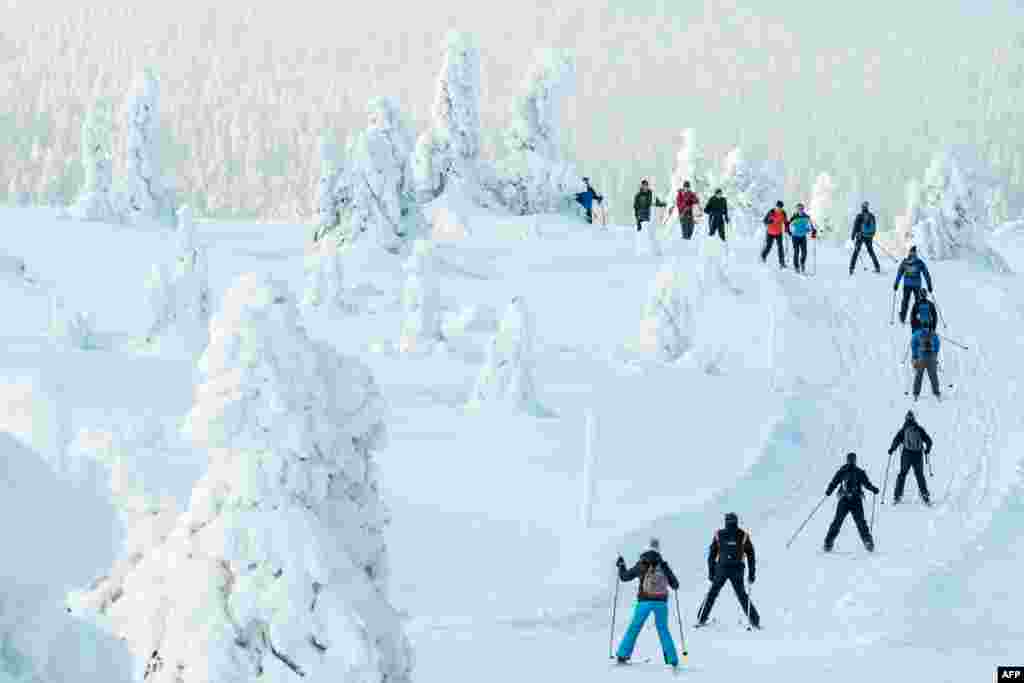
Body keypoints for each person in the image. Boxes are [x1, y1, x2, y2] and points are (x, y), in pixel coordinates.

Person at [614, 538, 680, 667]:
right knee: (663, 629)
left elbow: (624, 577)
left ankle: (623, 654)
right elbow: (675, 585)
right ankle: (672, 658)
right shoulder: (663, 565)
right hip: (661, 603)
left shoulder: (642, 563)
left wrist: (621, 565)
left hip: (644, 601)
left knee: (635, 627)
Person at [696, 512, 760, 629]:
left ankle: (701, 618)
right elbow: (751, 555)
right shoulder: (743, 535)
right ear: (736, 521)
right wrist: (751, 574)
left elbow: (711, 556)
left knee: (712, 593)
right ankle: (755, 620)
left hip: (722, 569)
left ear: (726, 522)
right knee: (741, 594)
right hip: (737, 569)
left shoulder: (719, 534)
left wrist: (711, 573)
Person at [823, 452, 878, 553]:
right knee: (838, 521)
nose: (851, 462)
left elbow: (866, 484)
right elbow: (834, 482)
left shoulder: (859, 472)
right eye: (850, 460)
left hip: (856, 500)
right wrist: (829, 490)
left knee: (860, 522)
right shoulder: (842, 471)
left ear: (855, 461)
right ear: (847, 460)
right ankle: (828, 542)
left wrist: (873, 489)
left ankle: (868, 542)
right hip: (844, 499)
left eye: (853, 460)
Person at [888, 410, 933, 506]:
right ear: (914, 419)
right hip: (918, 455)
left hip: (906, 455)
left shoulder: (903, 429)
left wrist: (892, 449)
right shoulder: (919, 429)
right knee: (919, 474)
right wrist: (927, 450)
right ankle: (924, 495)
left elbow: (896, 440)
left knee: (902, 474)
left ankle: (897, 496)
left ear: (906, 419)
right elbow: (929, 440)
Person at [894, 246, 934, 324]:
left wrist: (896, 283)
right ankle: (920, 317)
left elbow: (899, 273)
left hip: (907, 285)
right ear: (916, 253)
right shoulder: (919, 262)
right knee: (918, 301)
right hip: (917, 285)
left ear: (909, 253)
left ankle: (902, 317)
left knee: (905, 301)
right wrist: (929, 284)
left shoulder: (905, 262)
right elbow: (926, 273)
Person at [910, 325, 942, 401]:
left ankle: (916, 393)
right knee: (933, 376)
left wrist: (914, 356)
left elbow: (913, 344)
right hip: (931, 358)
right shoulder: (933, 334)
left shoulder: (917, 333)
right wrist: (935, 354)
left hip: (921, 358)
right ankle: (936, 392)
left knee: (918, 375)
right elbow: (937, 344)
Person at [849, 201, 881, 275]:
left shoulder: (859, 216)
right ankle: (877, 267)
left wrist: (853, 235)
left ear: (862, 207)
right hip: (869, 237)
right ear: (867, 207)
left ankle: (851, 268)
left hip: (860, 237)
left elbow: (855, 226)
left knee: (856, 252)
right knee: (871, 252)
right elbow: (874, 227)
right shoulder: (872, 216)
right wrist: (872, 235)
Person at [788, 203, 817, 274]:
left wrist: (813, 231)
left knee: (804, 252)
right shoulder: (794, 217)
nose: (800, 210)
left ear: (803, 209)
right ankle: (796, 267)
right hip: (795, 237)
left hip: (803, 236)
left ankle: (802, 263)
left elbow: (811, 225)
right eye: (798, 209)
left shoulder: (806, 217)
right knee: (796, 252)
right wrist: (789, 231)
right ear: (796, 210)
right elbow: (788, 225)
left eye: (801, 209)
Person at [761, 200, 789, 268]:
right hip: (770, 232)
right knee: (768, 246)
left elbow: (786, 222)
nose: (779, 208)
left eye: (780, 207)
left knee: (780, 247)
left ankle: (782, 262)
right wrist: (769, 222)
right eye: (778, 207)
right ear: (776, 206)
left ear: (782, 207)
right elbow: (764, 221)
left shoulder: (783, 213)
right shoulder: (771, 212)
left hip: (778, 233)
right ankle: (763, 256)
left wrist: (787, 228)